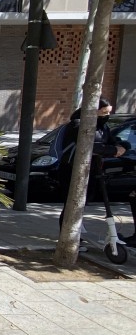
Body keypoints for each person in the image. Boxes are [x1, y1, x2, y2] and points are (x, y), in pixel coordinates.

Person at [57, 98, 127, 241]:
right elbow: (87, 145)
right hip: (73, 170)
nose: (106, 116)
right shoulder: (78, 125)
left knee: (83, 203)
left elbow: (112, 140)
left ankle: (77, 235)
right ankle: (68, 239)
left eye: (109, 112)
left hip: (93, 170)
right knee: (72, 204)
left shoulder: (102, 127)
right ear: (94, 111)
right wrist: (112, 150)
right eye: (104, 112)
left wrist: (121, 146)